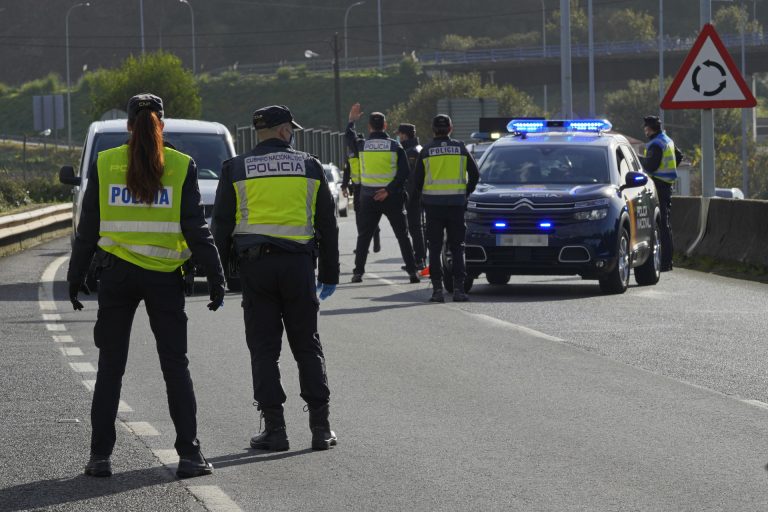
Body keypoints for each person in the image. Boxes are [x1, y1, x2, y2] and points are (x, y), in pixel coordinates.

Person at [67, 93, 225, 479]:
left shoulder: (105, 163)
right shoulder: (180, 164)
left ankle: (99, 457)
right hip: (164, 279)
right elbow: (195, 227)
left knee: (110, 368)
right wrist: (216, 275)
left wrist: (75, 276)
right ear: (162, 124)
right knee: (175, 367)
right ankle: (189, 455)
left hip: (116, 277)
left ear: (127, 126)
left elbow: (88, 229)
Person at [211, 105, 339, 452]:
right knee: (307, 346)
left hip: (256, 271)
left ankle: (275, 429)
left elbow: (220, 227)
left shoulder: (236, 168)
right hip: (299, 268)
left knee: (264, 351)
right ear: (284, 131)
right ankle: (320, 428)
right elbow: (327, 224)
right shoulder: (310, 165)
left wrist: (216, 276)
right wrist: (329, 273)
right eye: (290, 129)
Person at [345, 103, 419, 283]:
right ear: (385, 126)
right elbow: (404, 173)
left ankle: (358, 272)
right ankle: (412, 272)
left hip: (368, 197)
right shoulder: (395, 146)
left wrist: (351, 121)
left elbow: (349, 138)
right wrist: (388, 190)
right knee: (402, 236)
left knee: (364, 236)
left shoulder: (362, 145)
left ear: (370, 127)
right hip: (392, 196)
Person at [414, 114, 479, 302]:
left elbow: (417, 181)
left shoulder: (426, 150)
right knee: (457, 248)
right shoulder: (460, 148)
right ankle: (459, 290)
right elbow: (475, 175)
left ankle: (437, 291)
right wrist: (465, 193)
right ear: (451, 128)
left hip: (433, 206)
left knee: (434, 249)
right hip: (456, 205)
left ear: (433, 129)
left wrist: (426, 194)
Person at [639, 115, 682, 272]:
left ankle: (664, 262)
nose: (644, 130)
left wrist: (638, 161)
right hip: (666, 185)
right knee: (665, 224)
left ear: (650, 129)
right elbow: (679, 155)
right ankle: (667, 261)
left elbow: (650, 166)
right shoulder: (666, 139)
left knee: (661, 224)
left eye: (645, 127)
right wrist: (670, 171)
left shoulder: (655, 144)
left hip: (658, 185)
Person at [341, 133, 382, 254]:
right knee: (360, 217)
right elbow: (347, 171)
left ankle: (373, 237)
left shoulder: (365, 151)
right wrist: (344, 186)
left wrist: (344, 187)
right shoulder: (351, 154)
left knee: (366, 216)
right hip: (359, 188)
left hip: (369, 187)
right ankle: (364, 245)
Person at [395, 123, 427, 270]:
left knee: (415, 228)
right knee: (416, 228)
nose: (399, 137)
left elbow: (411, 179)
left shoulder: (411, 152)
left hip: (413, 196)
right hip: (419, 195)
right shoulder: (418, 149)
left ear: (405, 135)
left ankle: (419, 259)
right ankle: (419, 258)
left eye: (400, 134)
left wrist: (407, 198)